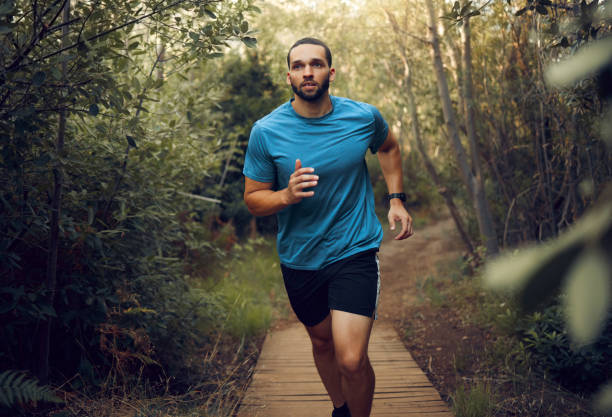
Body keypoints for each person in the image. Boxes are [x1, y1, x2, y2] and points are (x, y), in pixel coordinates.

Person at [242, 37, 413, 417]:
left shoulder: (363, 117)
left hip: (354, 250)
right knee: (322, 344)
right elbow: (253, 198)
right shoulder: (266, 131)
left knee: (351, 359)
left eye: (316, 64)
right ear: (288, 75)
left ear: (330, 72)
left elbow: (388, 147)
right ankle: (341, 408)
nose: (308, 72)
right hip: (300, 257)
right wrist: (285, 196)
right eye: (299, 65)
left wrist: (396, 199)